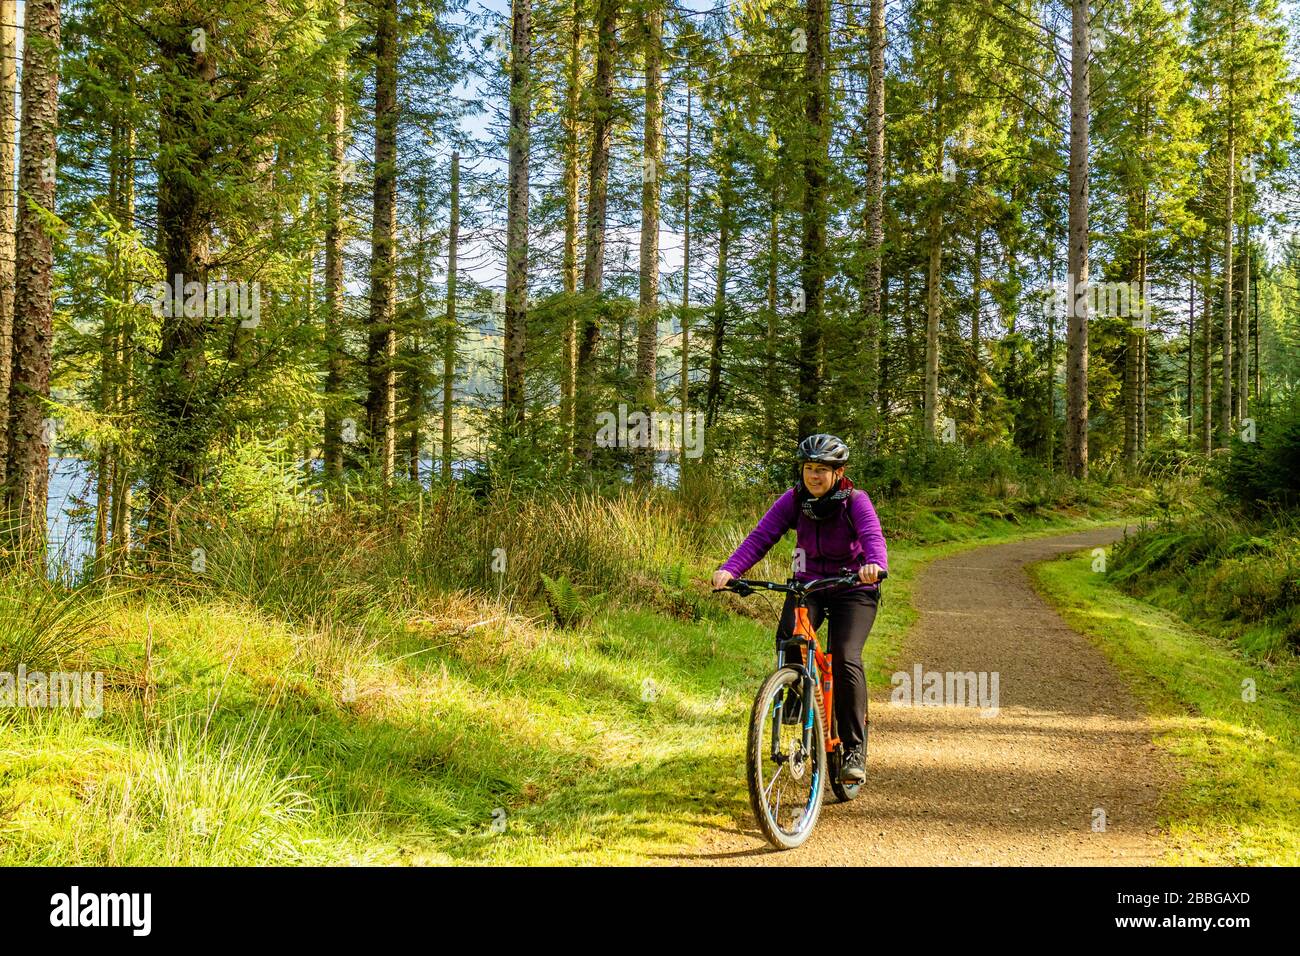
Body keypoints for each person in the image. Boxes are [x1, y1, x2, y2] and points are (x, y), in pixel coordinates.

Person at [711, 433, 888, 784]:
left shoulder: (855, 501)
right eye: (809, 468)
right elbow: (761, 537)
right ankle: (795, 692)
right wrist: (731, 570)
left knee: (845, 656)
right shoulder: (794, 500)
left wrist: (874, 564)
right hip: (809, 585)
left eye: (822, 469)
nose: (814, 476)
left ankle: (854, 747)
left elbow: (872, 537)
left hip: (854, 587)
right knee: (790, 638)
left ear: (839, 472)